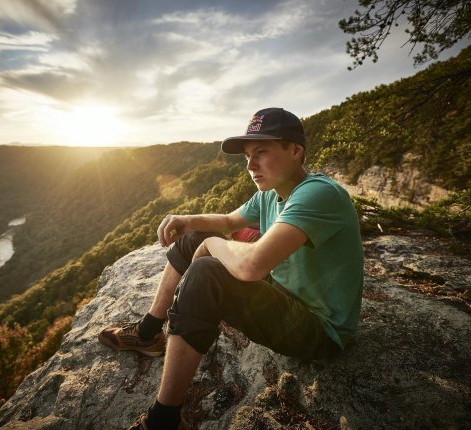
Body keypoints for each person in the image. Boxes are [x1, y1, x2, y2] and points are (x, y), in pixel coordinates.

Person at [98, 107, 364, 430]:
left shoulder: (318, 194)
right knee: (194, 237)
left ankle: (162, 421)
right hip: (285, 295)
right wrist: (188, 221)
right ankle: (147, 333)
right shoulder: (271, 194)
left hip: (319, 331)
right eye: (248, 156)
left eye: (261, 153)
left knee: (206, 271)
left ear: (296, 150)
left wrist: (211, 246)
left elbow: (251, 266)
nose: (250, 165)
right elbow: (227, 222)